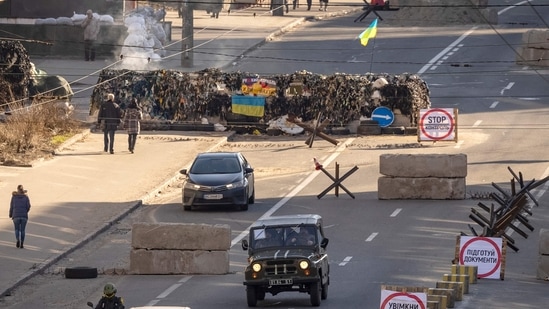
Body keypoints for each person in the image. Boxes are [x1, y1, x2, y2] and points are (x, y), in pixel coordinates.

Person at [9, 185, 31, 249]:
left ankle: (17, 239)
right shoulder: (26, 197)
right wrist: (25, 211)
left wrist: (10, 214)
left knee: (17, 229)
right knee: (23, 230)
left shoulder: (14, 197)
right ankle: (22, 243)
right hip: (24, 216)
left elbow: (11, 207)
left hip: (16, 215)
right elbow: (28, 206)